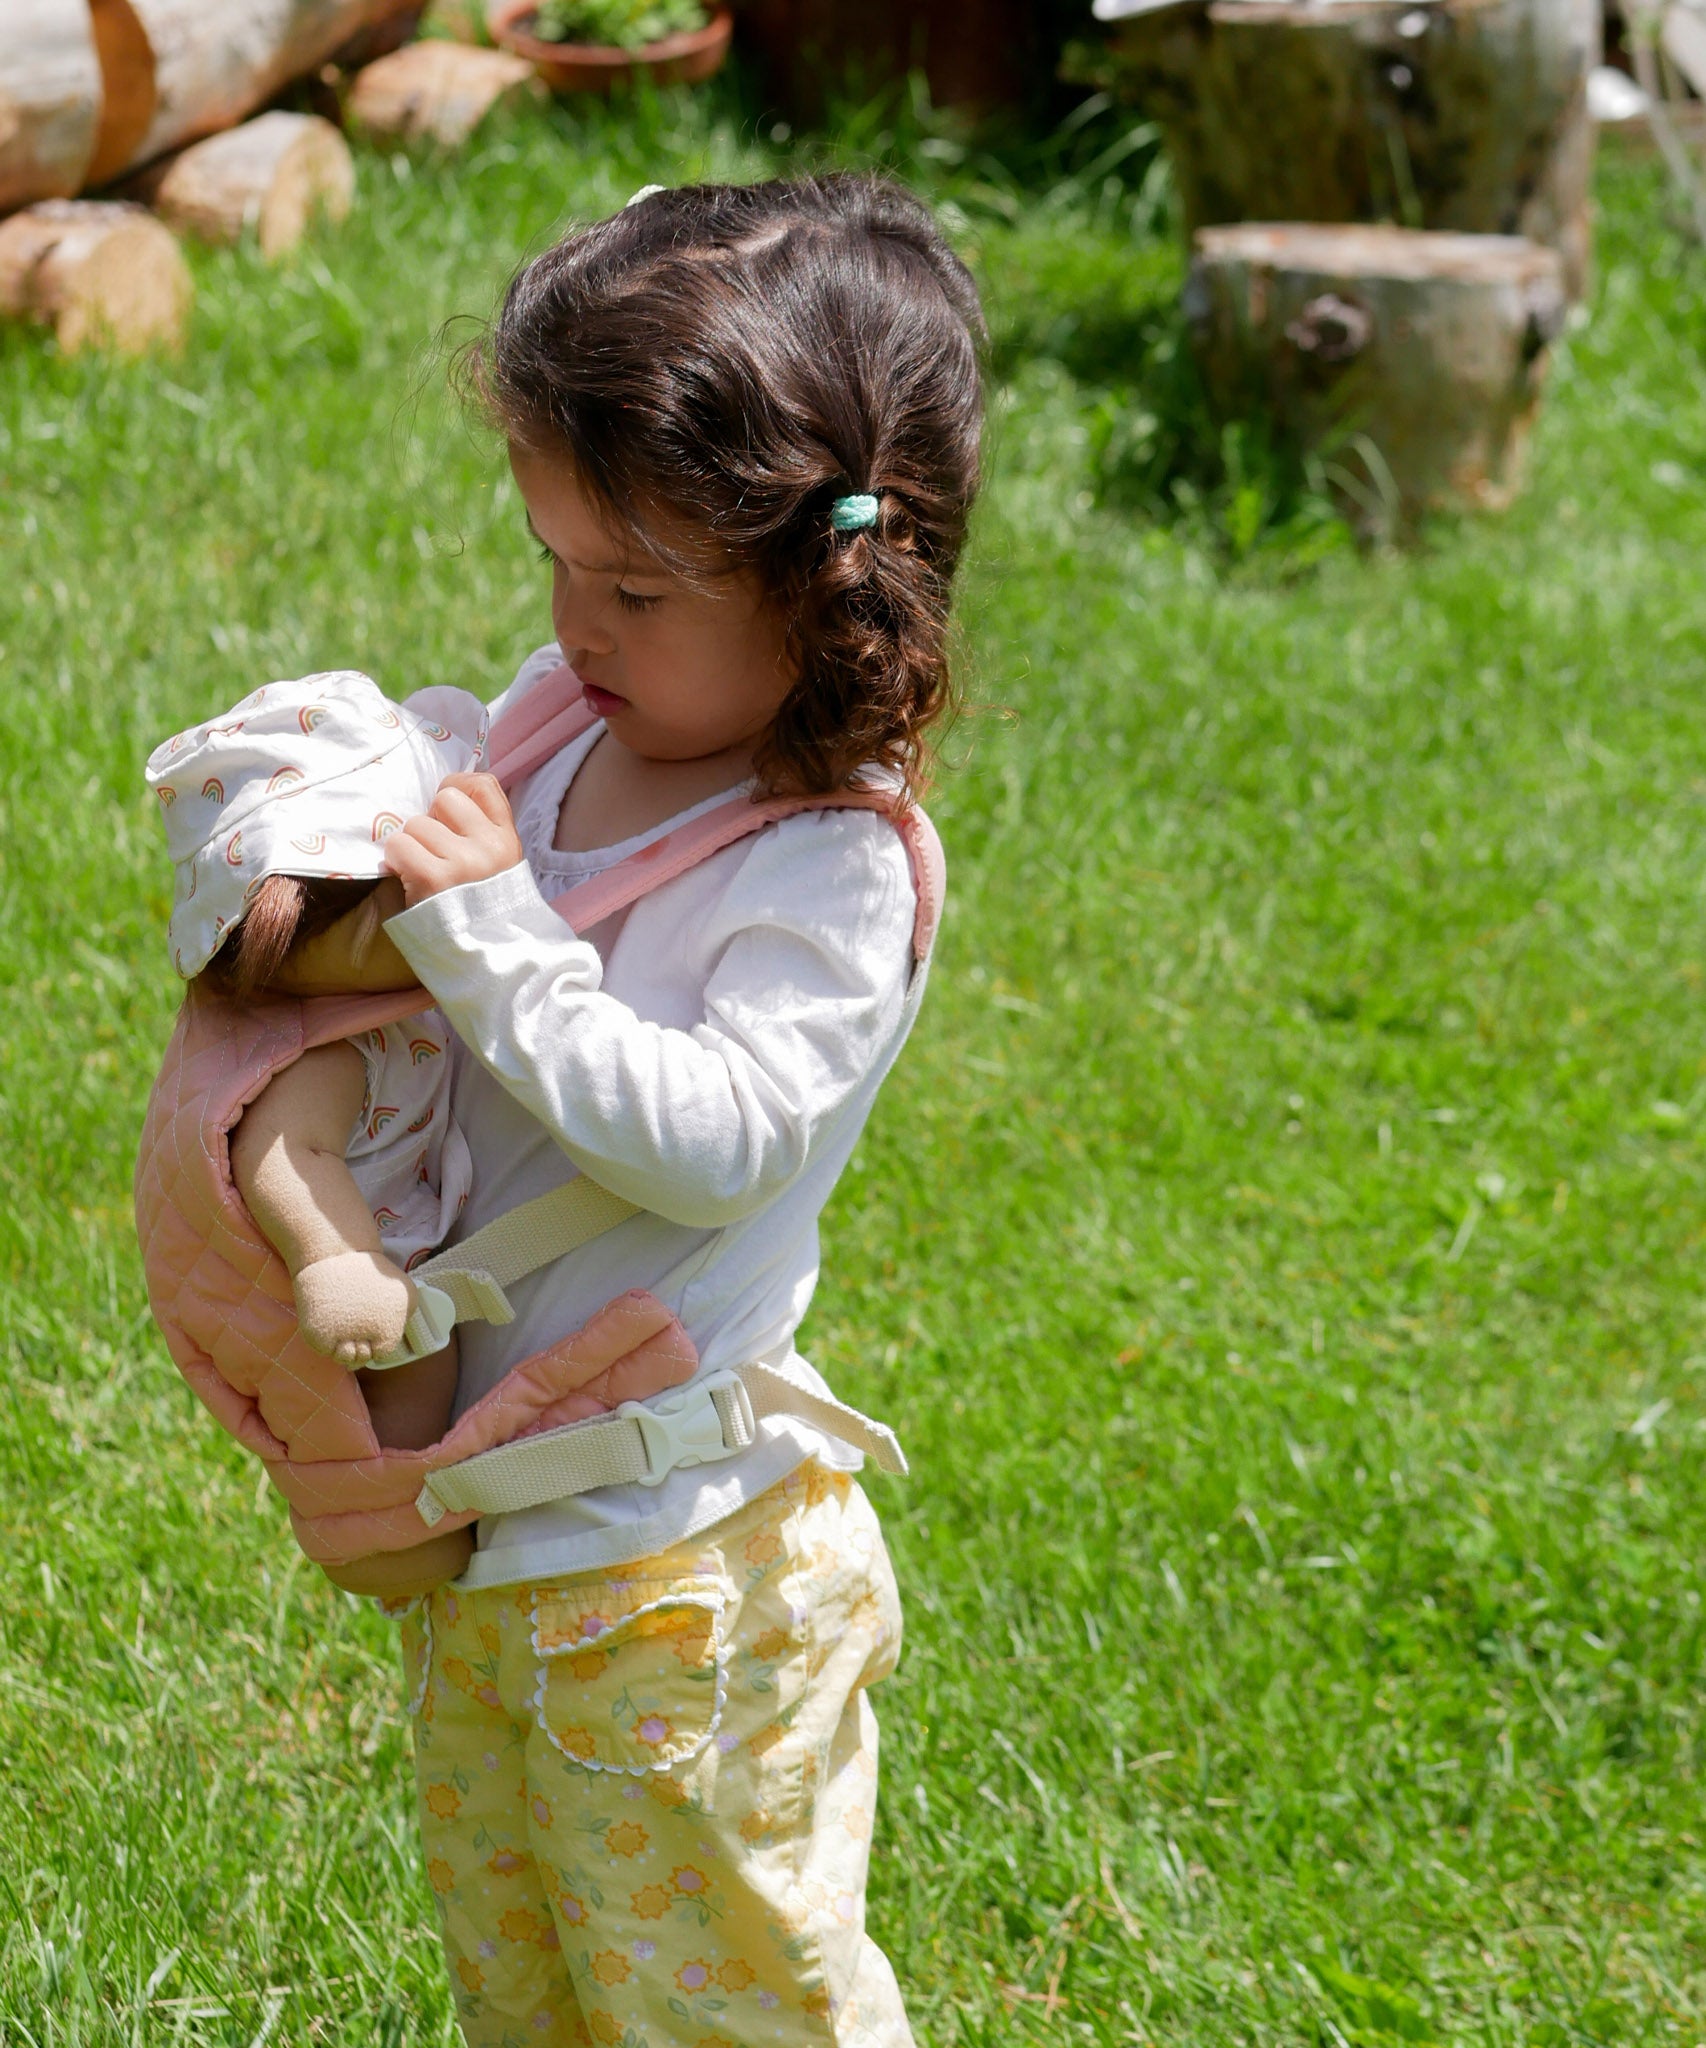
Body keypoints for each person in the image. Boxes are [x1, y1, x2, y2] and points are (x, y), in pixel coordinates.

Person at [375, 174, 984, 2046]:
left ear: (833, 585)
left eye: (634, 586)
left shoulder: (827, 867)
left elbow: (720, 1135)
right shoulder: (570, 723)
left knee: (730, 2004)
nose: (575, 625)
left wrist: (490, 937)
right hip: (503, 1541)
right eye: (554, 558)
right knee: (538, 1988)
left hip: (682, 1570)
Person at [145, 672, 486, 1463]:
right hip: (387, 1272)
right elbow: (289, 1154)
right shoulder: (324, 1052)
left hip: (425, 1243)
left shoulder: (354, 998)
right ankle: (401, 1528)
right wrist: (340, 1259)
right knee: (412, 1397)